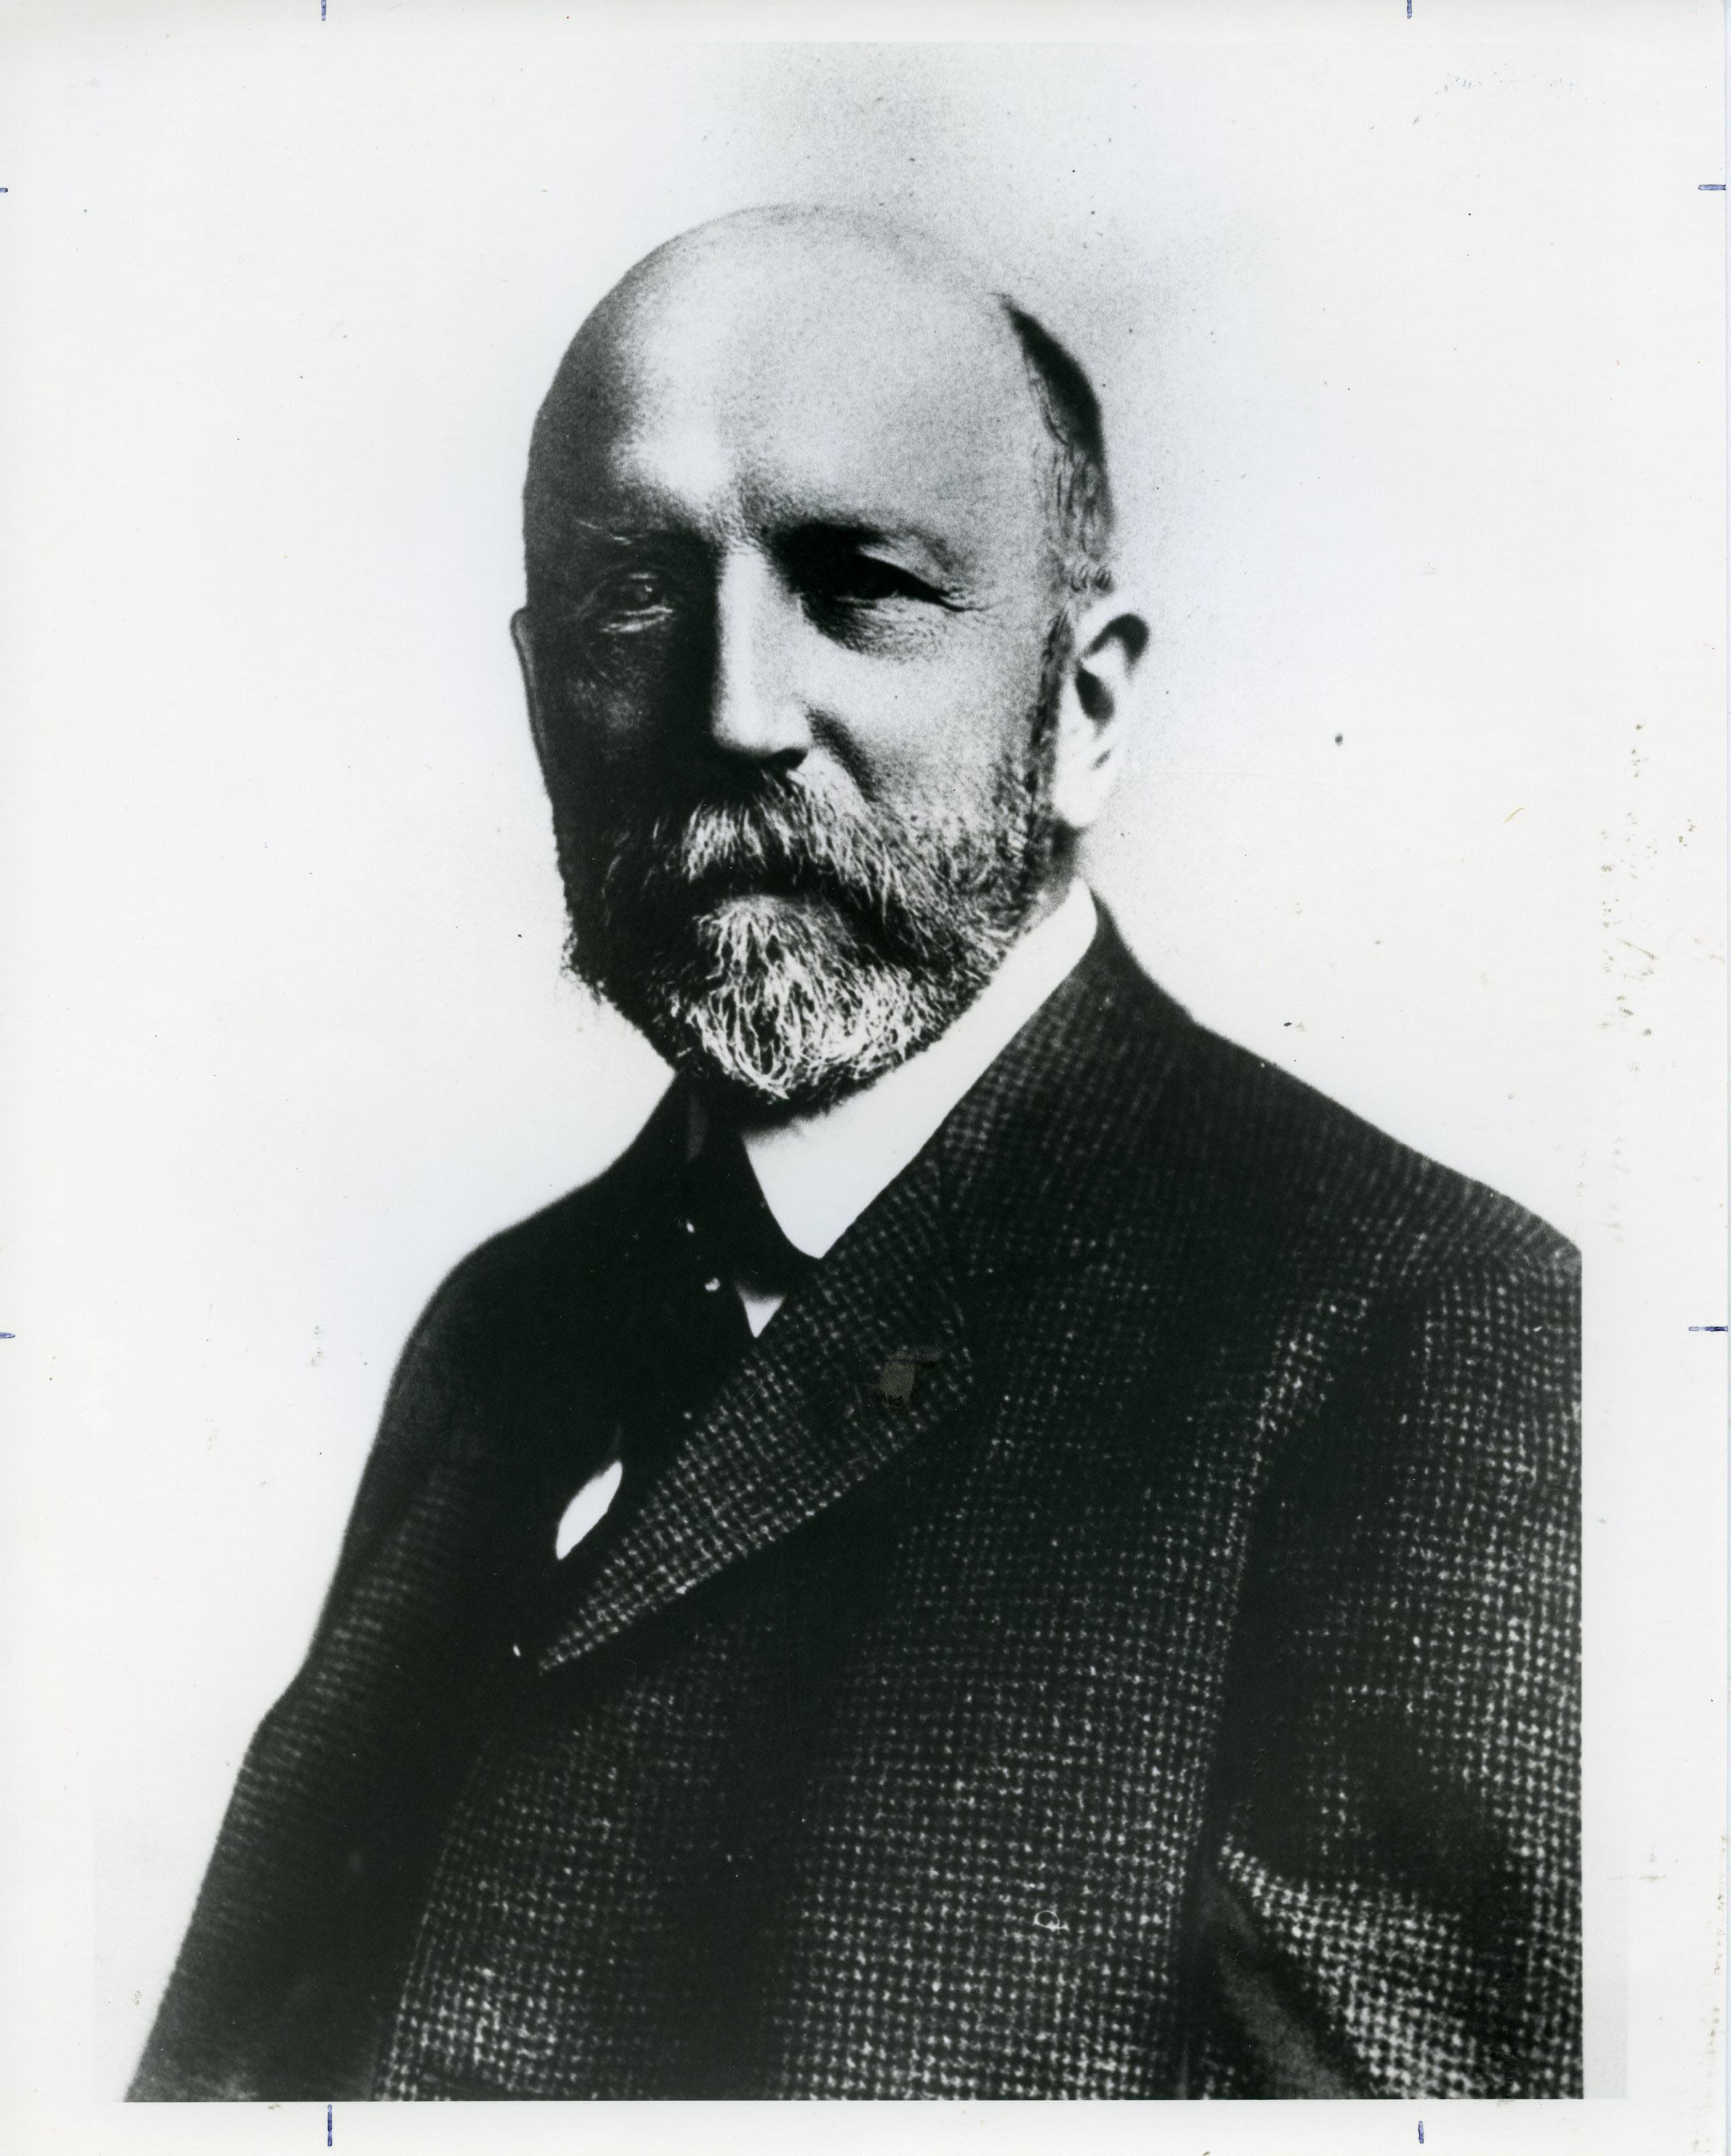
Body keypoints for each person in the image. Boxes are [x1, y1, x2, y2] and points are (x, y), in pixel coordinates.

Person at [132, 205, 1581, 2103]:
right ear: (537, 696)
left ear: (1085, 708)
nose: (736, 716)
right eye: (632, 598)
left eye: (863, 587)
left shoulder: (1434, 1344)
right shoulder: (501, 1330)